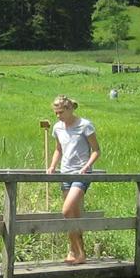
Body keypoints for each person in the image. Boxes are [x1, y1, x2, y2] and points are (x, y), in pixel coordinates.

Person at [46, 94, 100, 265]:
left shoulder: (85, 125)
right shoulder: (57, 128)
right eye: (55, 113)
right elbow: (58, 149)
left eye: (61, 112)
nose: (58, 116)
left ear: (70, 109)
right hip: (65, 174)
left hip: (81, 175)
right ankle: (75, 252)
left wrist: (87, 166)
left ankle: (80, 253)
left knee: (67, 210)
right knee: (72, 215)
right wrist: (52, 166)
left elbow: (96, 150)